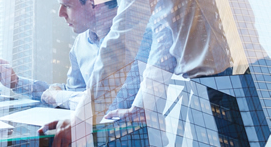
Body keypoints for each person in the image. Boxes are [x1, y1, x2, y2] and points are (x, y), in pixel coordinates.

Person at [39, 0, 234, 146]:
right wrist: (143, 106)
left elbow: (121, 44)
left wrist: (82, 119)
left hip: (214, 87)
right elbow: (164, 42)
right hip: (206, 86)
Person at [0, 0, 118, 110]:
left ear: (94, 3)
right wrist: (17, 83)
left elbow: (110, 103)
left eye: (67, 5)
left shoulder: (129, 41)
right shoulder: (81, 42)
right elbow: (73, 93)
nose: (60, 13)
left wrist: (58, 96)